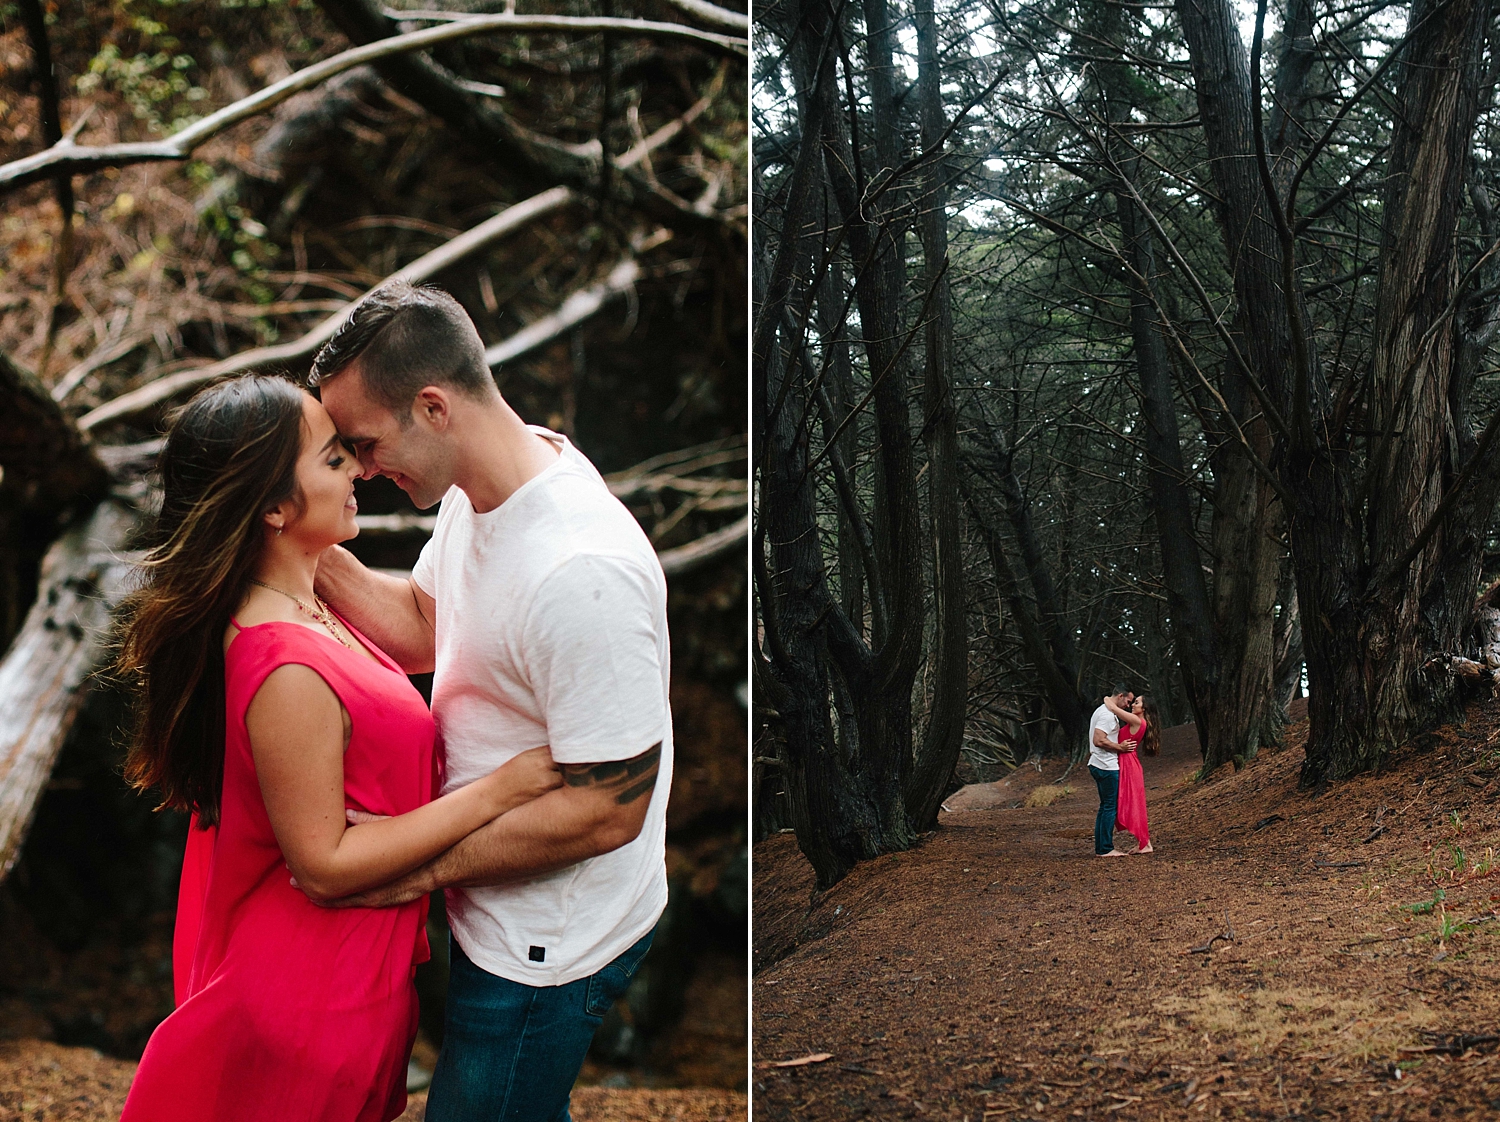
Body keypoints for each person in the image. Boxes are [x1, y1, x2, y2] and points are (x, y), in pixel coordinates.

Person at [114, 375, 561, 1122]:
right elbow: (323, 865)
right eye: (331, 461)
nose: (358, 469)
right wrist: (505, 788)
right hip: (305, 1001)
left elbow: (424, 630)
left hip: (349, 984)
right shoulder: (284, 663)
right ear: (273, 507)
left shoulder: (310, 608)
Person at [305, 280, 673, 1122]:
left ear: (433, 407)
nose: (359, 469)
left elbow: (607, 813)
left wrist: (411, 868)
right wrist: (303, 540)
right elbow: (429, 628)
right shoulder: (486, 490)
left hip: (550, 940)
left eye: (363, 444)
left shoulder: (582, 569)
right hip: (494, 901)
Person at [1105, 693, 1159, 854]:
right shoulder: (1140, 721)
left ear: (1144, 708)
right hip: (1127, 761)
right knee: (1133, 802)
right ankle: (1144, 843)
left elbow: (1113, 708)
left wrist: (1107, 698)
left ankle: (1145, 843)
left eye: (1136, 703)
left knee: (1133, 802)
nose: (1132, 705)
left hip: (1128, 762)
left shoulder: (1137, 720)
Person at [1086, 685, 1133, 857]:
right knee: (1109, 807)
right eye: (1128, 701)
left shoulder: (1103, 710)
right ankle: (1105, 848)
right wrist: (1119, 747)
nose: (1128, 705)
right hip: (1105, 765)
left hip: (1098, 763)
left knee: (1105, 806)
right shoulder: (1106, 715)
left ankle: (1101, 847)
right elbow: (1099, 740)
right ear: (1120, 696)